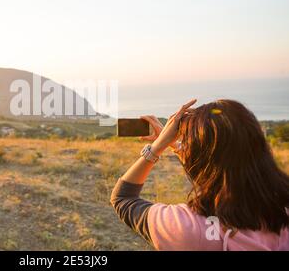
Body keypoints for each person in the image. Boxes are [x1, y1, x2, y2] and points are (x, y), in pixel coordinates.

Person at [111, 99, 289, 251]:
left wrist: (158, 147)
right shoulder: (282, 211)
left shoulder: (191, 228)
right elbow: (222, 174)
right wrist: (179, 146)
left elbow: (123, 199)